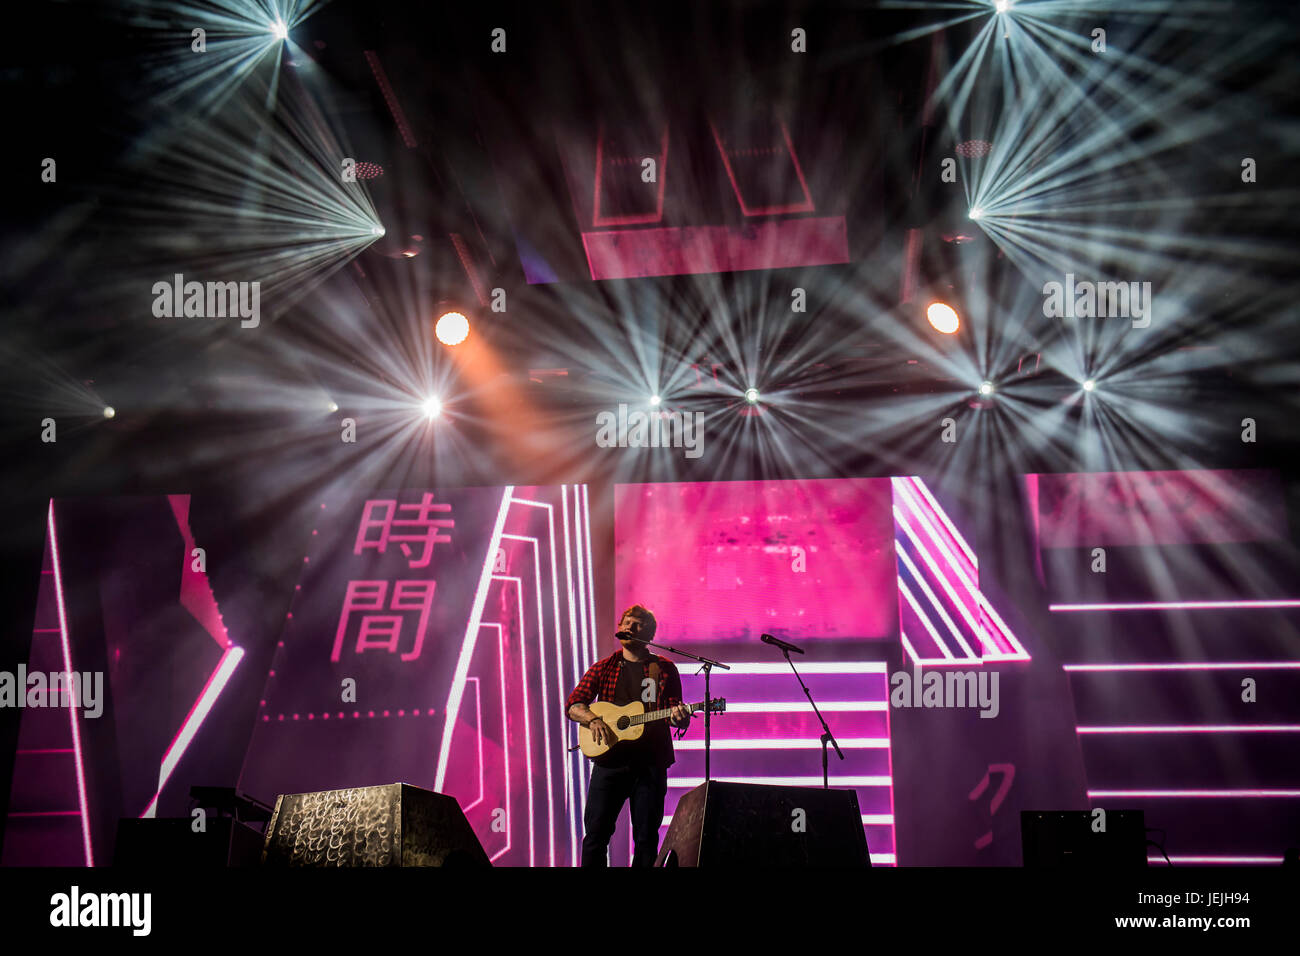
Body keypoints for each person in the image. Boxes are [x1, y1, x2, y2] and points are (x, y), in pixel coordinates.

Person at [566, 604, 691, 866]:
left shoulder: (664, 668)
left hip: (650, 764)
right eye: (626, 623)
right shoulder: (604, 667)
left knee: (646, 840)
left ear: (649, 635)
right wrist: (594, 719)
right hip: (609, 763)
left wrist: (680, 717)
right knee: (596, 836)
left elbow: (671, 710)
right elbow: (574, 705)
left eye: (636, 625)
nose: (628, 628)